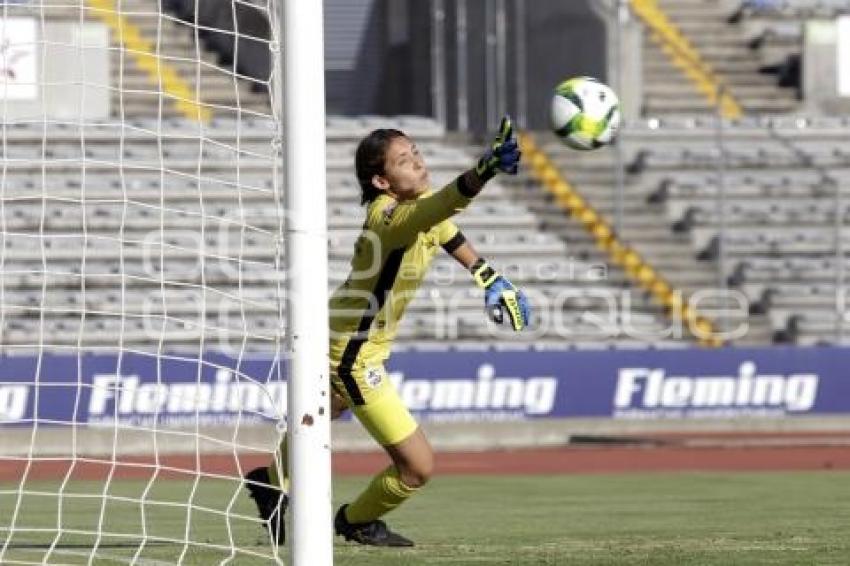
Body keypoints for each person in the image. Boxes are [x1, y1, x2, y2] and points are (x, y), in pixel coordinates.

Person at [244, 116, 530, 547]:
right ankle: (356, 520)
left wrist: (487, 275)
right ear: (381, 180)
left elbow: (446, 229)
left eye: (415, 152)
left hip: (340, 332)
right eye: (403, 160)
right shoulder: (390, 218)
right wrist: (484, 169)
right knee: (418, 467)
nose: (417, 162)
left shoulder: (415, 209)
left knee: (324, 413)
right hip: (353, 353)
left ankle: (269, 480)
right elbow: (443, 208)